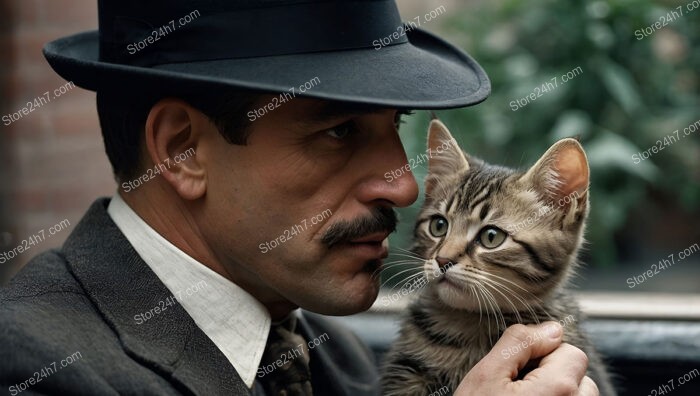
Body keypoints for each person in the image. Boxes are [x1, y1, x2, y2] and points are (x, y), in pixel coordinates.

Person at [0, 0, 598, 395]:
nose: (406, 185)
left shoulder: (330, 350)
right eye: (339, 132)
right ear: (183, 150)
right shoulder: (31, 366)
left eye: (397, 125)